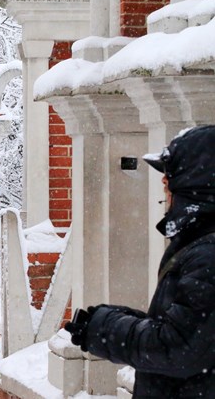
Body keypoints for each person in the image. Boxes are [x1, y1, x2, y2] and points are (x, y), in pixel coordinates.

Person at [64, 125, 215, 398]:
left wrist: (104, 328)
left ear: (195, 185)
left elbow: (178, 347)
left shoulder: (208, 256)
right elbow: (186, 330)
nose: (163, 185)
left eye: (170, 177)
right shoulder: (199, 246)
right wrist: (110, 319)